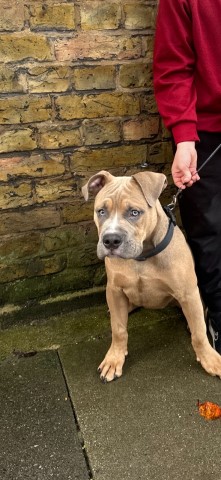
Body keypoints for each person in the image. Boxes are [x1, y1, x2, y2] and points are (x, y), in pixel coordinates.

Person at [153, 0, 221, 354]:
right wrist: (184, 137)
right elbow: (173, 67)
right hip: (205, 131)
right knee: (209, 230)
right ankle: (217, 315)